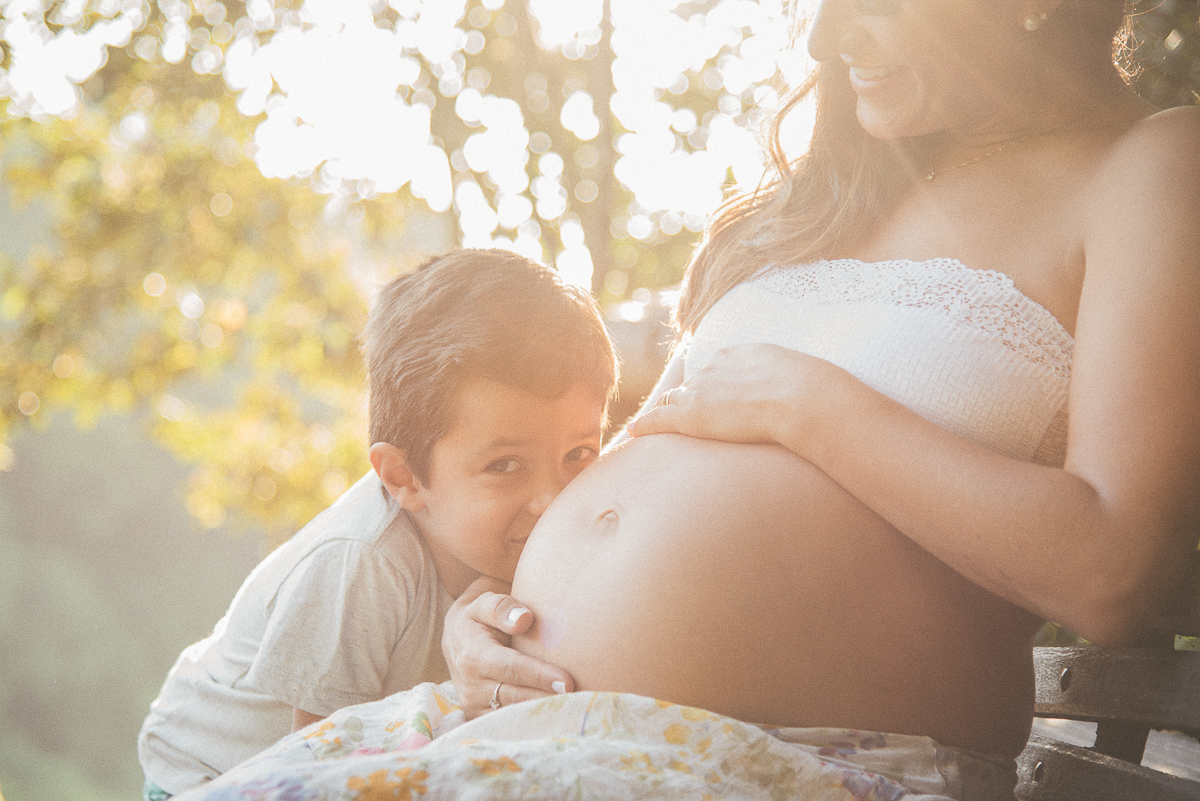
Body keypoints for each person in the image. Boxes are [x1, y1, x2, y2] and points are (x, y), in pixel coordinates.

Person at [170, 2, 1199, 799]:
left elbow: (1111, 570)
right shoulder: (830, 201)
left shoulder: (1148, 167)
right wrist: (485, 619)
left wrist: (809, 405)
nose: (828, 34)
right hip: (535, 732)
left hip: (781, 760)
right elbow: (653, 471)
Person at [137, 249, 618, 798]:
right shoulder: (359, 564)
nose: (551, 498)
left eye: (579, 453)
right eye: (503, 465)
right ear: (405, 477)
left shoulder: (514, 538)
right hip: (210, 770)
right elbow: (320, 766)